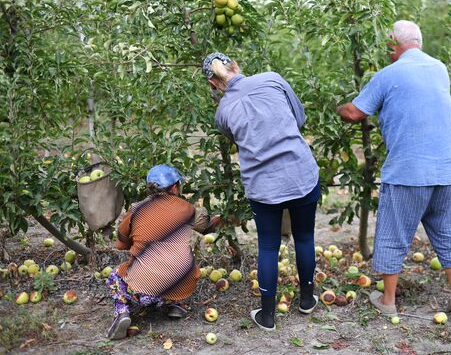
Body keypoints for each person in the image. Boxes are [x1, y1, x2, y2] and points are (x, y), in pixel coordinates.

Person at [336, 20, 451, 323]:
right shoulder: (440, 69)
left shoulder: (388, 75)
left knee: (393, 236)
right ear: (419, 42)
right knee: (450, 236)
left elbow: (356, 112)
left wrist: (338, 108)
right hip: (448, 171)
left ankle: (388, 300)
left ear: (395, 45)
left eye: (388, 44)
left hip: (409, 172)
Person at [202, 52, 320, 331]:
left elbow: (240, 140)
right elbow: (299, 119)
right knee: (304, 237)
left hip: (264, 185)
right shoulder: (272, 80)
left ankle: (267, 316)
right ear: (236, 65)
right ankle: (306, 300)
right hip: (300, 173)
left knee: (268, 246)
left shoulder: (223, 113)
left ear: (213, 84)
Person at [106, 164, 220, 340]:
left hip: (143, 292)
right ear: (175, 187)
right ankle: (176, 304)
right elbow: (207, 227)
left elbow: (121, 245)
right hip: (181, 286)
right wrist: (225, 217)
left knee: (115, 276)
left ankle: (122, 313)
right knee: (180, 258)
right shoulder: (188, 209)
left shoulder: (137, 209)